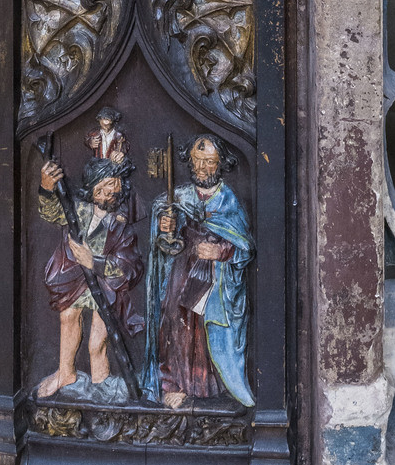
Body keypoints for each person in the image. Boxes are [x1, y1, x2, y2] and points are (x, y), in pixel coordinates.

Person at [144, 136, 253, 409]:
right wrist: (165, 226)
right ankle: (174, 385)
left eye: (210, 162)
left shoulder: (228, 202)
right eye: (198, 161)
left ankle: (206, 389)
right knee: (173, 321)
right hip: (181, 270)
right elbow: (165, 241)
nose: (203, 168)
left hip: (213, 278)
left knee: (201, 328)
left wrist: (221, 252)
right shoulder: (179, 197)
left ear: (220, 164)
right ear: (189, 161)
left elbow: (245, 247)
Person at [35, 154, 143, 402]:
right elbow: (51, 213)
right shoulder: (78, 210)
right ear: (91, 190)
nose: (107, 195)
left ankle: (100, 382)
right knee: (69, 318)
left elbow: (131, 267)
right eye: (101, 189)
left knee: (97, 341)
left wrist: (94, 262)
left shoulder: (121, 226)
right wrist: (46, 187)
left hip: (105, 287)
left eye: (112, 188)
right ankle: (66, 373)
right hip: (73, 280)